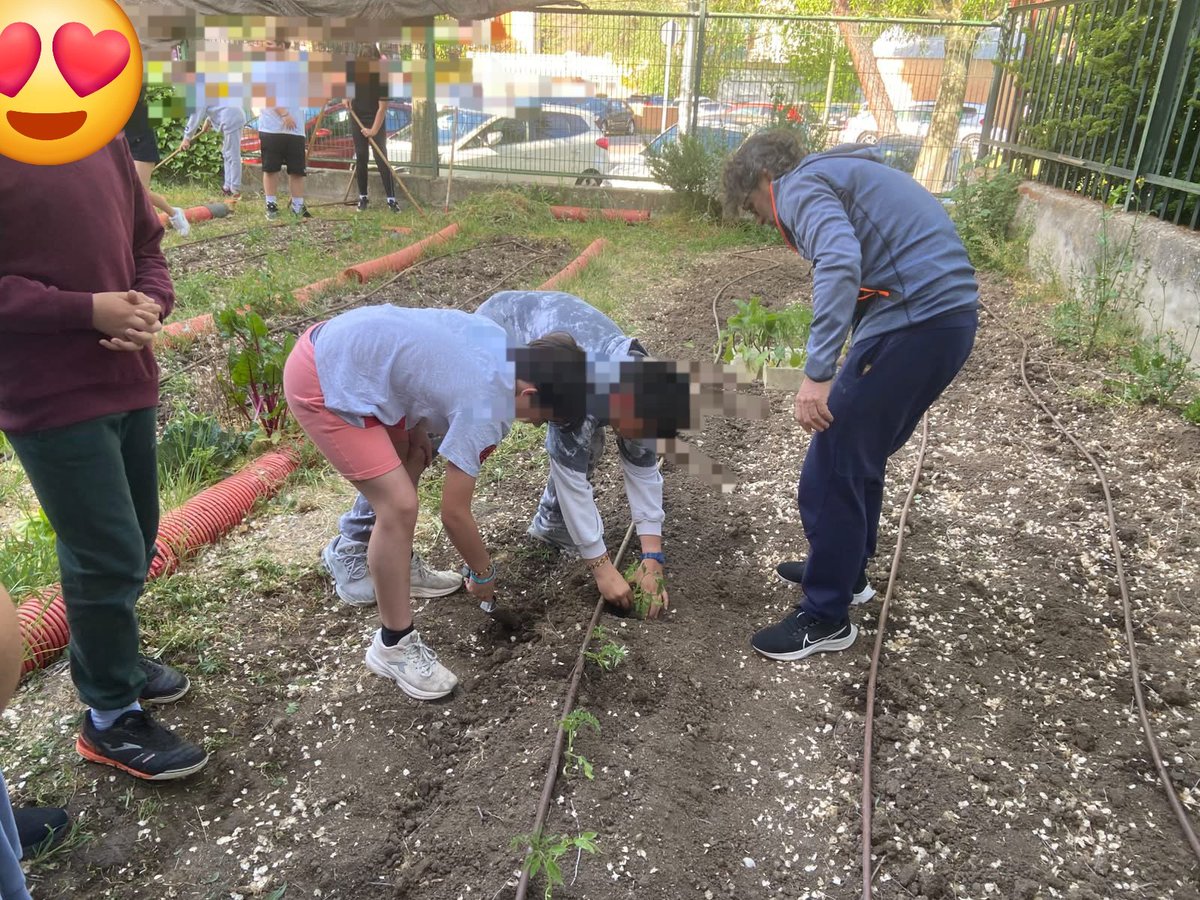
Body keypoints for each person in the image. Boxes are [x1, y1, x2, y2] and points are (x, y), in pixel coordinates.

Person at [722, 130, 979, 662]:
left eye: (753, 207)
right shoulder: (840, 176)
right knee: (859, 452)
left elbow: (840, 261)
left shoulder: (797, 187)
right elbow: (873, 260)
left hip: (919, 319)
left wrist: (817, 375)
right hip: (942, 319)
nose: (766, 221)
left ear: (762, 181)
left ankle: (825, 616)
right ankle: (846, 571)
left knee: (833, 459)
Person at [0, 133, 209, 781]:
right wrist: (87, 309)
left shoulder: (100, 138)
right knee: (105, 550)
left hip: (126, 379)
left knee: (136, 536)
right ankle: (109, 715)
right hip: (47, 391)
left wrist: (151, 302)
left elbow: (147, 243)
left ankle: (112, 658)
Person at [283, 305, 591, 700]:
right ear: (528, 394)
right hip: (325, 380)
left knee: (412, 462)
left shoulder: (498, 341)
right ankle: (393, 644)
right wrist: (482, 572)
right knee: (399, 505)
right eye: (537, 419)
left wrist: (416, 431)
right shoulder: (492, 403)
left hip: (351, 350)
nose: (529, 425)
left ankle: (396, 564)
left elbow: (424, 362)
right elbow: (454, 513)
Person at [324, 291, 675, 619]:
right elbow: (568, 476)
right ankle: (354, 544)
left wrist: (652, 558)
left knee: (586, 443)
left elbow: (643, 471)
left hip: (546, 365)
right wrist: (602, 567)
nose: (635, 441)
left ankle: (553, 524)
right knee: (426, 436)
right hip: (503, 333)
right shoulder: (584, 392)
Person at [255, 42, 312, 220]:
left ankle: (297, 205)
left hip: (295, 130)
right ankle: (271, 204)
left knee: (297, 170)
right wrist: (284, 113)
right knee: (271, 168)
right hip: (272, 127)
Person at [124, 87, 190, 236]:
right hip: (122, 144)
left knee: (139, 190)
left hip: (141, 145)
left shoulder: (132, 92)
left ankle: (174, 213)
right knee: (123, 189)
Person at [346, 45, 400, 213]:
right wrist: (345, 98)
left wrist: (374, 131)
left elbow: (382, 108)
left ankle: (391, 199)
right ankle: (362, 197)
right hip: (357, 118)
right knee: (361, 156)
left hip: (375, 118)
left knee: (381, 157)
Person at [180, 103, 248, 197]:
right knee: (226, 153)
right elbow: (217, 105)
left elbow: (195, 116)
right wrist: (208, 121)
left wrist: (187, 138)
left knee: (232, 154)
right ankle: (227, 187)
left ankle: (235, 190)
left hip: (231, 118)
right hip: (233, 115)